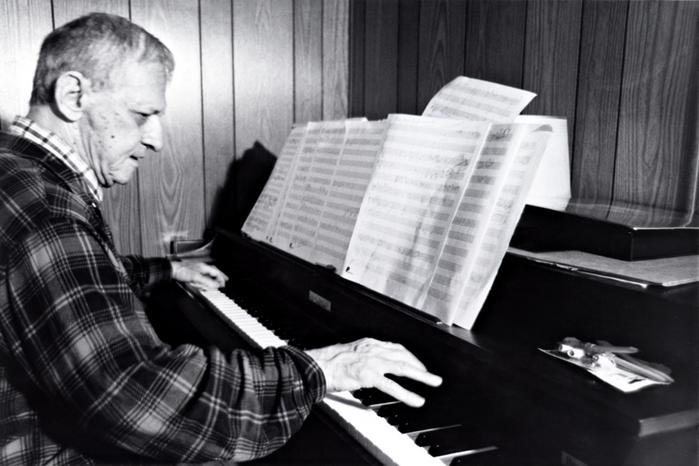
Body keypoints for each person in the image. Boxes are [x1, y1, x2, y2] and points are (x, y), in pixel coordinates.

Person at [0, 12, 441, 465]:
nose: (155, 139)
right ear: (73, 95)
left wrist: (167, 268)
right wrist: (323, 368)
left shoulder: (18, 174)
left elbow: (70, 279)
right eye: (143, 114)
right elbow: (139, 398)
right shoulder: (48, 209)